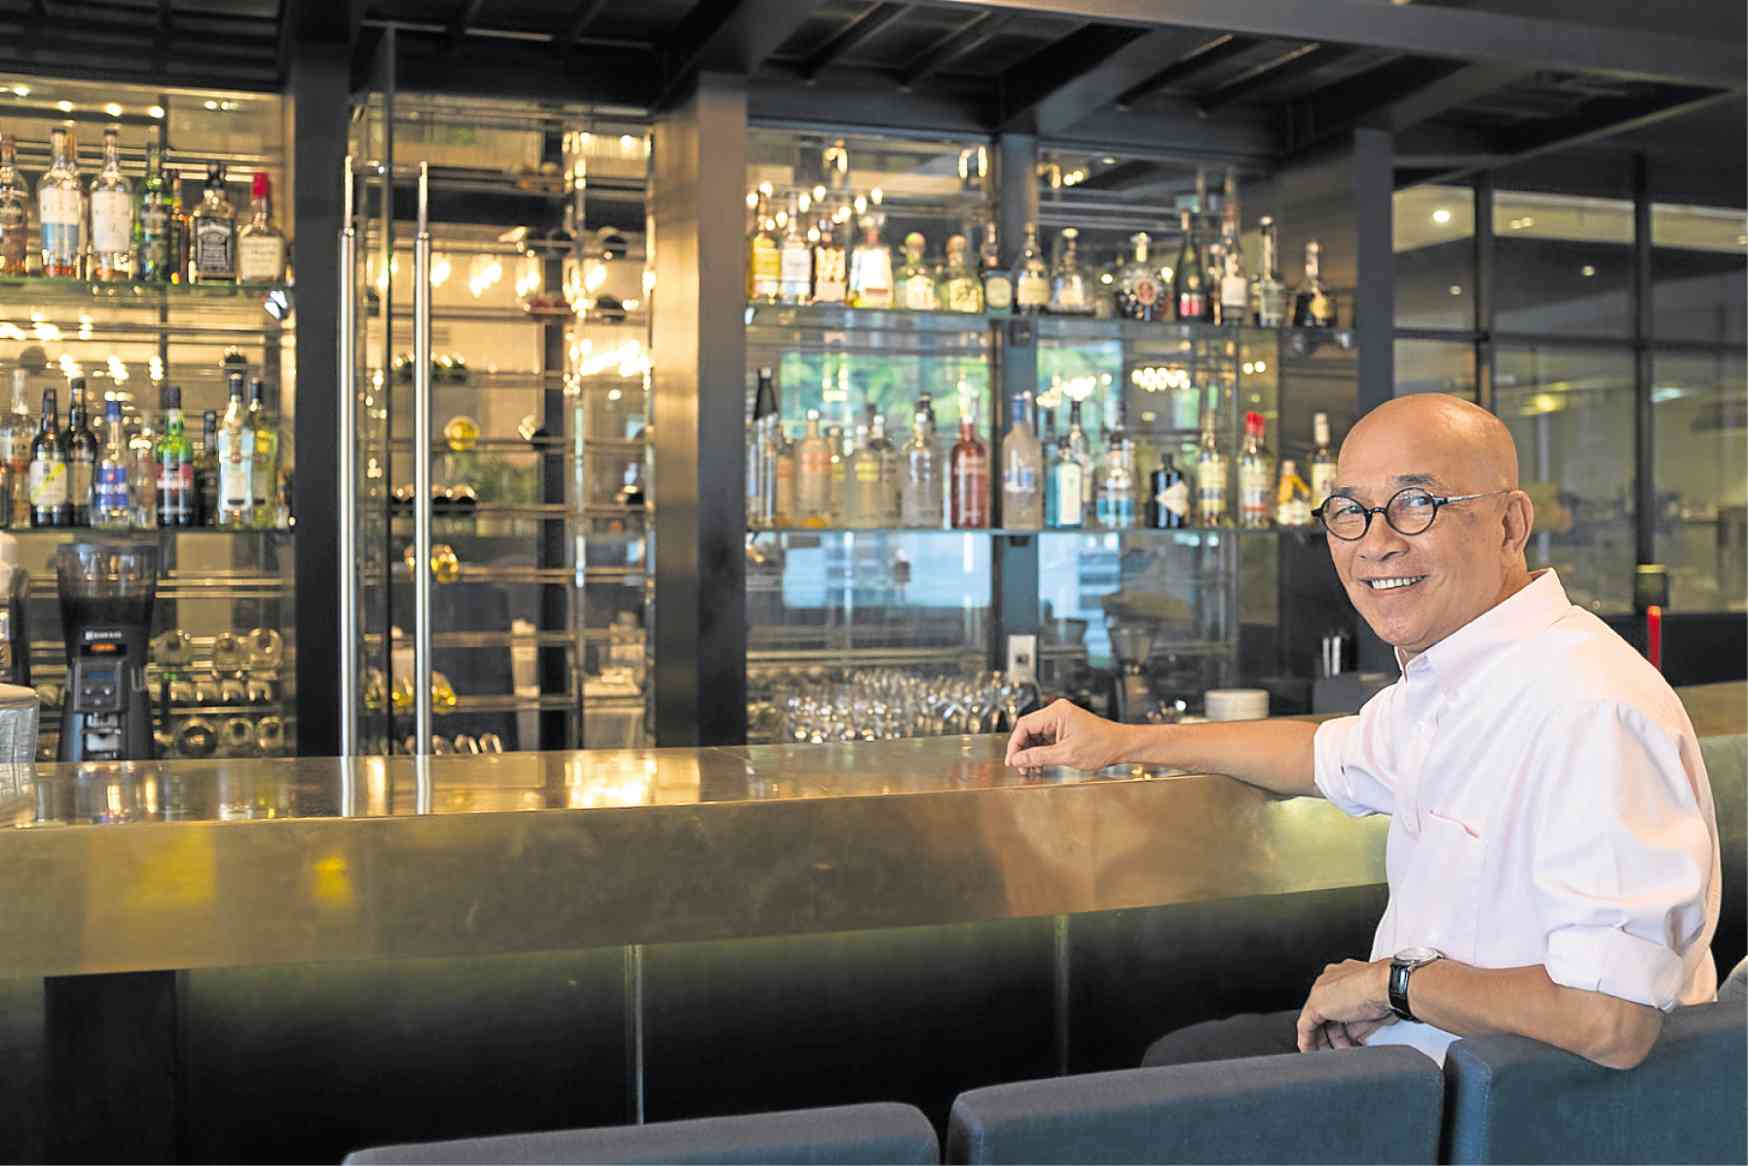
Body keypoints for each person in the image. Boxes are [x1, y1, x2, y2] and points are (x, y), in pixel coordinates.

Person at [1005, 394, 1719, 1071]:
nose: (1376, 544)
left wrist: (1394, 984)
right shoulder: (1462, 677)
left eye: (1416, 504)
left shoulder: (1587, 706)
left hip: (1500, 1109)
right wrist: (1121, 741)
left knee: (1164, 1078)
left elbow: (1611, 1021)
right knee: (1184, 1054)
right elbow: (1317, 754)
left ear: (1510, 525)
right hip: (1417, 1061)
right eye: (1350, 511)